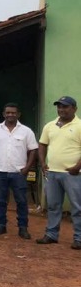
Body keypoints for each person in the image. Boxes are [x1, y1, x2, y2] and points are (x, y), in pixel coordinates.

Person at [0, 103, 38, 239]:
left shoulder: (26, 131)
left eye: (13, 113)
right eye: (8, 112)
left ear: (18, 114)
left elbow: (33, 150)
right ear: (4, 114)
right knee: (1, 200)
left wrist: (26, 168)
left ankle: (23, 228)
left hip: (19, 173)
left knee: (21, 201)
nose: (10, 115)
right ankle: (1, 225)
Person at [36, 96, 81, 249]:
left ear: (74, 108)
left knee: (77, 207)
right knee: (54, 206)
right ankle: (51, 235)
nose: (61, 109)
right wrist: (43, 163)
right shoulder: (50, 125)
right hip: (52, 173)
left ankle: (79, 238)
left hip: (74, 174)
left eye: (65, 107)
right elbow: (42, 144)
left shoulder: (80, 126)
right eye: (59, 106)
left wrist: (77, 167)